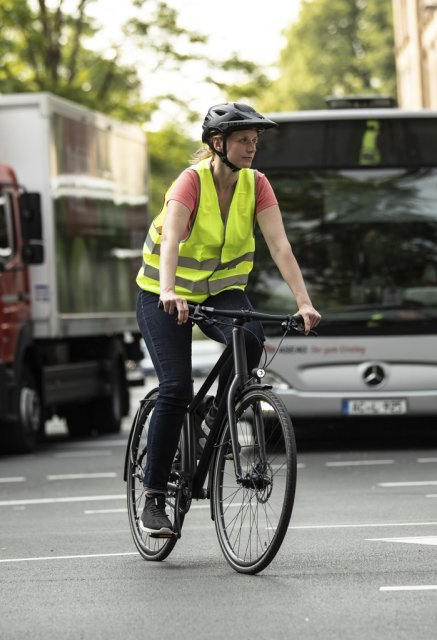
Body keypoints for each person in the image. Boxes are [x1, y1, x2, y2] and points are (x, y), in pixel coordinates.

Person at [134, 102, 321, 538]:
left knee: (252, 338)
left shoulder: (256, 185)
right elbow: (171, 244)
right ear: (217, 144)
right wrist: (167, 291)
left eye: (255, 141)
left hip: (220, 291)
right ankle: (155, 497)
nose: (252, 147)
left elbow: (280, 247)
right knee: (176, 387)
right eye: (243, 140)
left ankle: (217, 413)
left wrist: (304, 302)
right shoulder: (190, 183)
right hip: (163, 295)